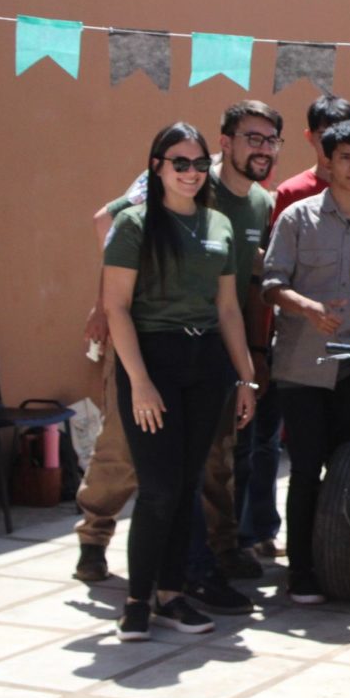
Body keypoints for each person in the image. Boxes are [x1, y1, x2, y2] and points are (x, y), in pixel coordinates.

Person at [74, 102, 282, 616]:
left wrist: (246, 370)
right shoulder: (180, 173)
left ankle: (201, 567)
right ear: (226, 142)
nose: (261, 148)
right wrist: (105, 305)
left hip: (205, 350)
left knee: (212, 466)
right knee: (124, 453)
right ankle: (94, 539)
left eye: (270, 140)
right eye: (251, 137)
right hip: (143, 344)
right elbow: (109, 222)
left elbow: (233, 298)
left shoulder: (257, 204)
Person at [104, 122, 256, 642]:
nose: (191, 173)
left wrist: (246, 378)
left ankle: (172, 595)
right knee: (159, 488)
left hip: (206, 361)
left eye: (197, 163)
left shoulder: (219, 224)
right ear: (157, 167)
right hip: (153, 359)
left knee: (188, 484)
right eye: (179, 163)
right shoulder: (133, 224)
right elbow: (116, 307)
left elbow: (229, 308)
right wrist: (139, 381)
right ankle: (136, 601)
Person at [262, 120, 350, 605]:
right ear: (327, 159)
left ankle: (343, 564)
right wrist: (308, 308)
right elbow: (271, 283)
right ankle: (301, 571)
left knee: (349, 469)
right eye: (345, 158)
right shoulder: (296, 218)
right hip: (301, 365)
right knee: (305, 469)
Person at [272, 94, 350, 227]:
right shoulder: (291, 192)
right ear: (309, 136)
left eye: (342, 138)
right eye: (324, 136)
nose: (333, 145)